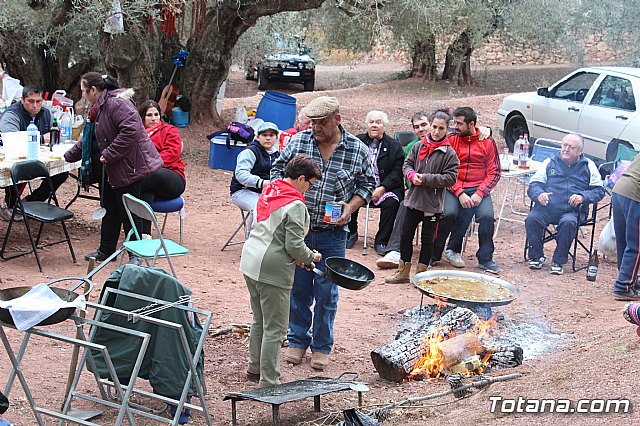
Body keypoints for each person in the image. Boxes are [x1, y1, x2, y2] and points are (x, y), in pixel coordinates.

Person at [270, 96, 375, 370]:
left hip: (333, 234)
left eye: (321, 123)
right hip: (299, 231)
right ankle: (297, 341)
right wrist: (287, 198)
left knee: (327, 292)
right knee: (299, 289)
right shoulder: (299, 142)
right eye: (312, 122)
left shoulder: (357, 149)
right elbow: (276, 170)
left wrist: (350, 209)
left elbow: (368, 184)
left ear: (337, 120)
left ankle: (321, 346)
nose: (315, 128)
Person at [240, 154, 323, 388]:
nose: (309, 189)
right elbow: (294, 246)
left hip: (250, 258)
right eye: (310, 184)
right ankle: (269, 381)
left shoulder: (271, 189)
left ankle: (254, 368)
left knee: (259, 319)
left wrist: (298, 254)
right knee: (275, 328)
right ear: (300, 178)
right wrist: (311, 257)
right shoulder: (295, 205)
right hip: (271, 268)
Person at [64, 72, 162, 262]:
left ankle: (136, 254)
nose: (83, 95)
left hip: (128, 168)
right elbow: (89, 138)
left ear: (93, 90)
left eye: (84, 91)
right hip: (111, 170)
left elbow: (131, 131)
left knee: (130, 213)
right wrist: (68, 156)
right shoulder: (99, 108)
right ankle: (106, 250)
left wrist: (108, 154)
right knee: (110, 209)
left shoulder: (117, 103)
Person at [385, 108, 459, 283]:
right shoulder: (419, 146)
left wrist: (425, 179)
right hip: (414, 199)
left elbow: (450, 178)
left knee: (427, 239)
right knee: (406, 235)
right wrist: (411, 175)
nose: (436, 131)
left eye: (441, 128)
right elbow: (407, 164)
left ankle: (422, 275)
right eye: (434, 127)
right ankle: (403, 272)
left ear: (447, 129)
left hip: (432, 203)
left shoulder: (449, 153)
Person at [431, 106, 502, 273]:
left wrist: (480, 193)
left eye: (459, 123)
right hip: (454, 187)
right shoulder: (451, 140)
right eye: (454, 122)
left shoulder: (487, 142)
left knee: (487, 217)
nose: (455, 127)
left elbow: (494, 172)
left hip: (479, 189)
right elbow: (444, 169)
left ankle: (485, 259)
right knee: (448, 214)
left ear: (471, 125)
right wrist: (459, 192)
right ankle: (434, 254)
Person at [526, 134, 605, 275]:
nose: (566, 149)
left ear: (579, 151)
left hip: (573, 211)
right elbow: (533, 184)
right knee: (532, 218)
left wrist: (583, 196)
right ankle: (536, 256)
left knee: (568, 223)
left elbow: (599, 191)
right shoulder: (550, 162)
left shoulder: (588, 165)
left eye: (571, 147)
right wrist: (539, 194)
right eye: (564, 145)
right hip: (548, 207)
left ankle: (558, 260)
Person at [0, 85, 68, 220]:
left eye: (39, 101)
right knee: (21, 169)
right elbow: (11, 140)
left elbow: (54, 135)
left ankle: (31, 202)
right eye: (31, 101)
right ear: (22, 100)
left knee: (61, 173)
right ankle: (9, 204)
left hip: (40, 156)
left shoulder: (46, 113)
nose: (35, 105)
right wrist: (42, 138)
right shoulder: (11, 115)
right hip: (13, 157)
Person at [349, 110, 404, 254]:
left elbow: (397, 173)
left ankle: (382, 240)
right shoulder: (356, 141)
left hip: (384, 188)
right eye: (371, 122)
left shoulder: (394, 146)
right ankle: (351, 232)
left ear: (384, 126)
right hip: (360, 186)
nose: (374, 125)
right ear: (367, 125)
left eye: (378, 122)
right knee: (348, 195)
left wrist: (383, 188)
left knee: (392, 203)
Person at [138, 100, 186, 235]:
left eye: (156, 114)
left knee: (151, 175)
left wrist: (147, 164)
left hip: (171, 179)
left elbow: (171, 154)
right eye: (149, 115)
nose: (153, 118)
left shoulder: (169, 130)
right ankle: (144, 235)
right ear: (142, 117)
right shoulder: (136, 133)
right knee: (144, 194)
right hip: (147, 180)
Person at [229, 121, 280, 234]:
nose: (268, 138)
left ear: (276, 137)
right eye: (264, 135)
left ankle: (272, 242)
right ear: (258, 137)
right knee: (258, 207)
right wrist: (262, 183)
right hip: (242, 191)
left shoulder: (277, 154)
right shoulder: (250, 152)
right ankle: (252, 243)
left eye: (271, 135)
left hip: (266, 193)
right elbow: (241, 175)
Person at [611, 154, 640, 300]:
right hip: (635, 194)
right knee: (636, 245)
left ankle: (628, 278)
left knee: (623, 240)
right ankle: (623, 286)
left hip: (619, 190)